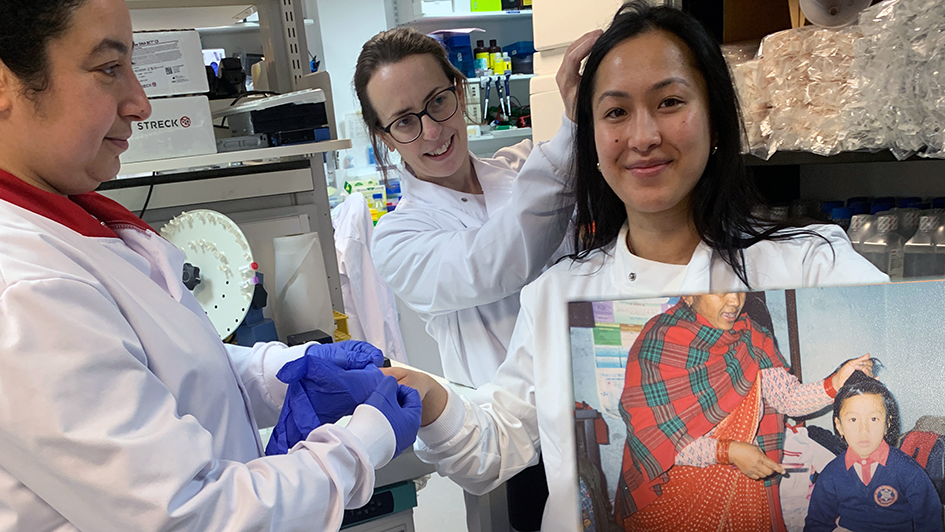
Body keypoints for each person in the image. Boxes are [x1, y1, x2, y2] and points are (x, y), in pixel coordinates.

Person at [381, 3, 890, 531]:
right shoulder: (559, 296)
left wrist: (836, 383)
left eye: (670, 102)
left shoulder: (808, 260)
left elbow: (785, 393)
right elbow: (495, 446)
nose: (643, 136)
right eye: (616, 112)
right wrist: (432, 398)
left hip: (745, 502)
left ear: (714, 116)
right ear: (593, 140)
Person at [0, 0, 420, 530]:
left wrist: (282, 373)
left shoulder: (73, 225)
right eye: (108, 69)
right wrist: (363, 442)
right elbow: (191, 515)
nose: (140, 102)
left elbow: (163, 371)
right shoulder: (22, 289)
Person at [355, 27, 589, 389]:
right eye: (404, 121)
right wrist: (572, 129)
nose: (432, 131)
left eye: (437, 102)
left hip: (593, 388)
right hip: (511, 429)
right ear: (385, 136)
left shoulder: (524, 165)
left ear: (459, 93)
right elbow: (496, 260)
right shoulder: (396, 240)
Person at [615, 293, 871, 531]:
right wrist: (729, 451)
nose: (734, 300)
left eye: (738, 288)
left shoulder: (752, 338)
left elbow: (788, 399)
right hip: (677, 493)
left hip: (742, 486)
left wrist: (836, 382)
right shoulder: (660, 342)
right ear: (689, 293)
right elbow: (654, 440)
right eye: (719, 289)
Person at [805, 372, 943, 532]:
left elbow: (930, 521)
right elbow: (816, 524)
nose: (864, 430)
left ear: (887, 423)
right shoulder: (831, 474)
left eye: (874, 419)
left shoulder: (908, 471)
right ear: (839, 425)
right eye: (853, 420)